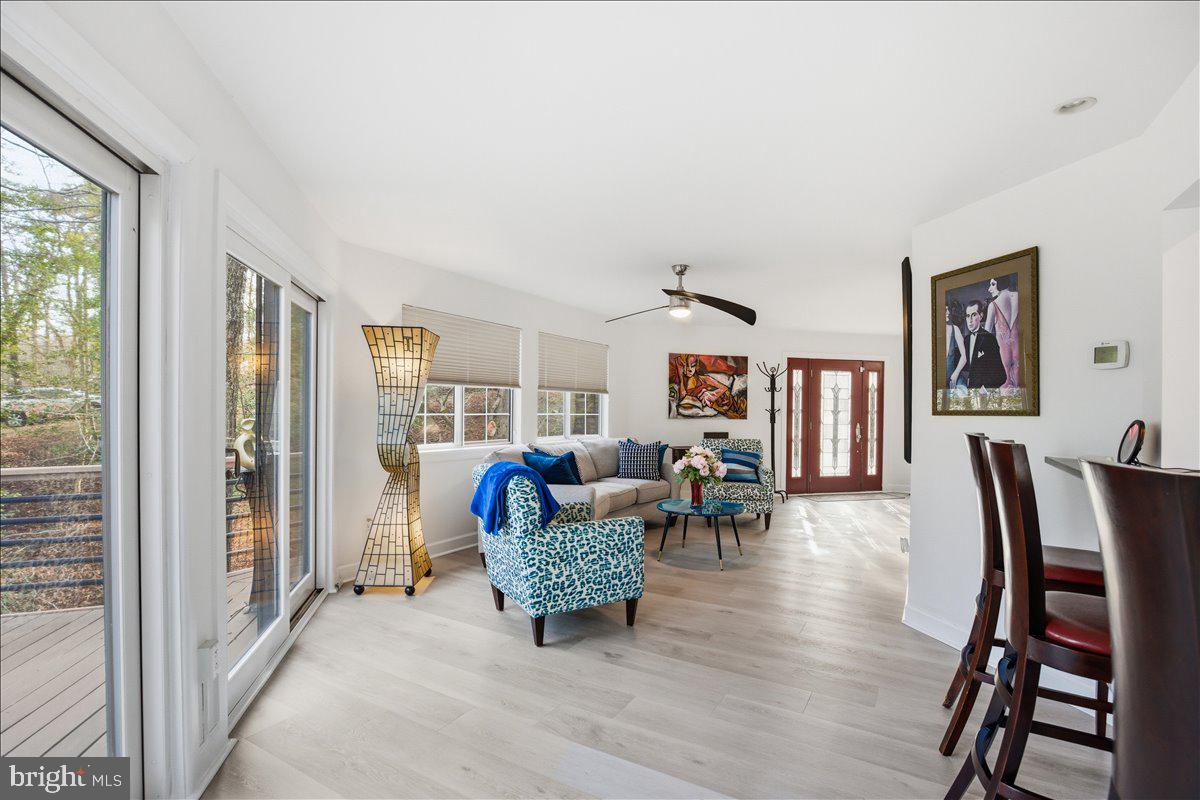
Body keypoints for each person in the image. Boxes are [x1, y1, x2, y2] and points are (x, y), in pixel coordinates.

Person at [984, 274, 1020, 388]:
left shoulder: (993, 305)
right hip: (1021, 353)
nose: (989, 289)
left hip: (1003, 358)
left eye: (993, 284)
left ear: (1001, 282)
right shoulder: (1019, 296)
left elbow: (985, 337)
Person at [963, 299, 1006, 389]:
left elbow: (1001, 375)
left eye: (973, 315)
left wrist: (985, 388)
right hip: (969, 392)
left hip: (985, 396)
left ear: (981, 316)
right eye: (967, 316)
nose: (970, 320)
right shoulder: (966, 340)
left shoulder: (989, 339)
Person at [945, 303, 967, 391]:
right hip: (938, 380)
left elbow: (964, 357)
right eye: (945, 310)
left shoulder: (955, 329)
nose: (948, 312)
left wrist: (955, 374)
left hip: (954, 376)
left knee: (962, 392)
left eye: (948, 309)